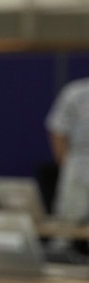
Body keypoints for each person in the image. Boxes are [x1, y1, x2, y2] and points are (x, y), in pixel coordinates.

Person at [45, 75, 89, 223]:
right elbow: (58, 131)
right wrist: (66, 165)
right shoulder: (76, 92)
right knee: (68, 222)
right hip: (79, 162)